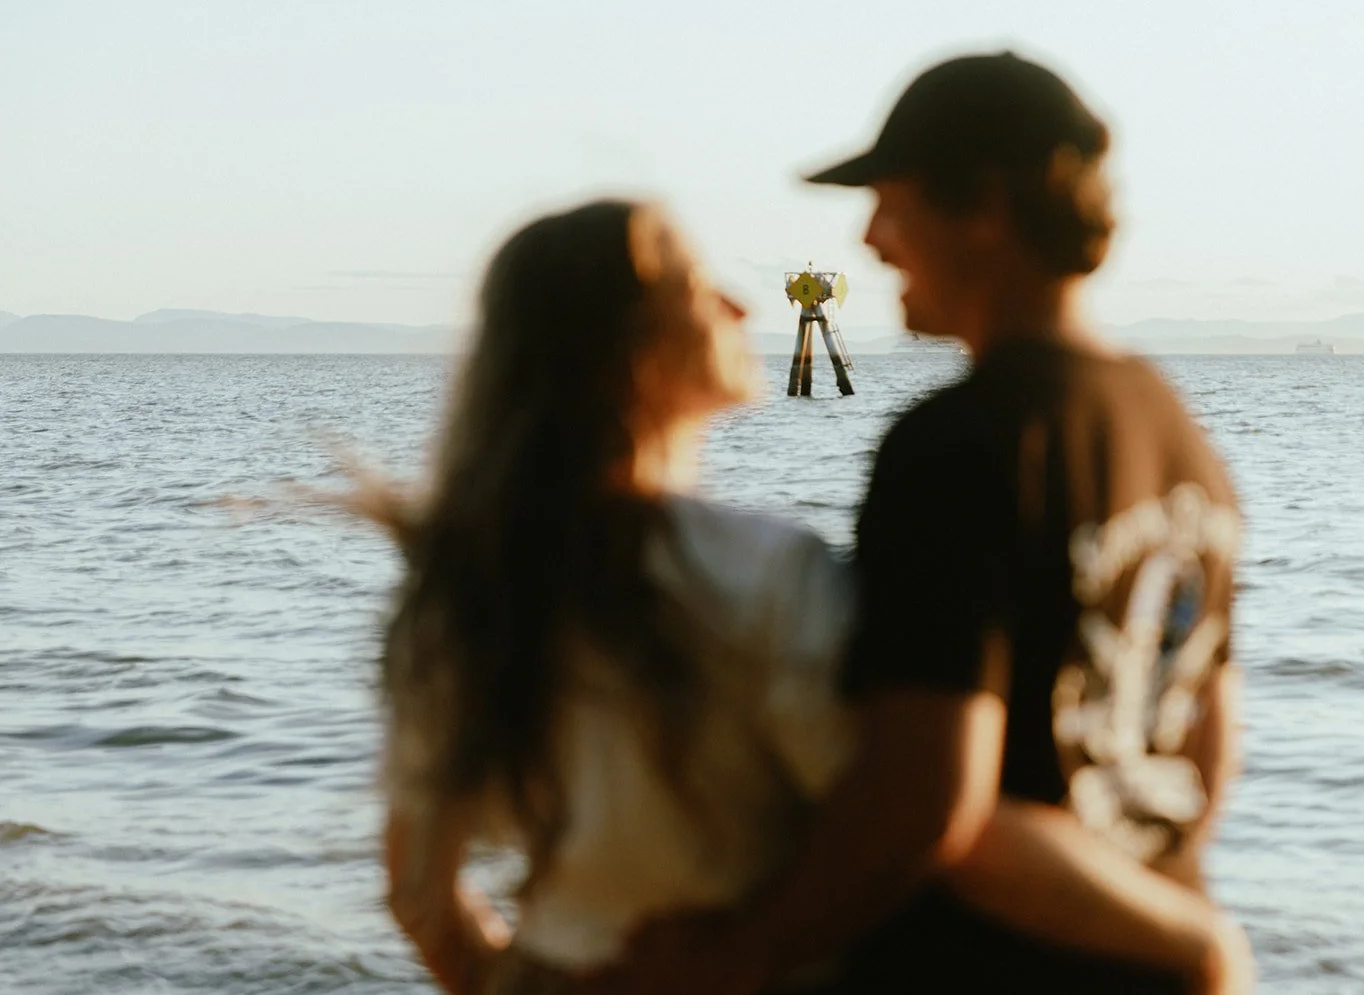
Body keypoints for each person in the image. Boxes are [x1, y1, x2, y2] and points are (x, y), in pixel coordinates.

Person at [351, 198, 1243, 995]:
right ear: (628, 348)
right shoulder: (758, 573)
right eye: (698, 289)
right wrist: (1191, 938)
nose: (741, 306)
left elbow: (420, 894)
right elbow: (918, 816)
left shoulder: (457, 589)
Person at [601, 52, 1250, 995]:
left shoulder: (959, 445)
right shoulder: (1178, 432)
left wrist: (736, 954)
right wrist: (1170, 920)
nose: (870, 239)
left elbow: (925, 798)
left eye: (890, 205)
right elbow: (1206, 745)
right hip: (1147, 941)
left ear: (982, 207)